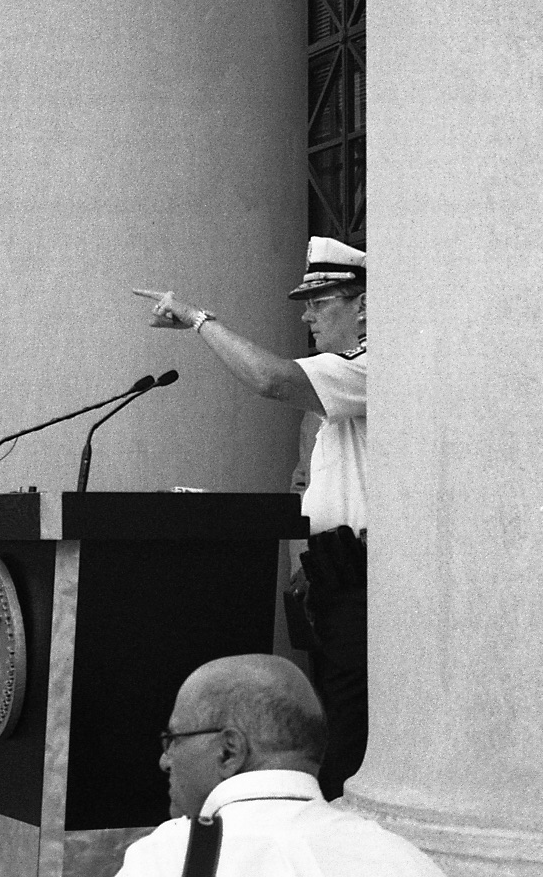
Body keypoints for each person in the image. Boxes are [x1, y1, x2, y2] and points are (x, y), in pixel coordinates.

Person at [134, 236, 367, 800]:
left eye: (323, 300)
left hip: (364, 580)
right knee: (335, 721)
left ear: (364, 305)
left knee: (350, 738)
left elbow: (271, 379)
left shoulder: (372, 365)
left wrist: (198, 320)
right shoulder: (342, 375)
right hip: (330, 576)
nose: (309, 315)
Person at [114, 654, 443, 877]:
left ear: (229, 751)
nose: (164, 760)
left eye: (173, 739)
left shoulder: (165, 859)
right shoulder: (404, 860)